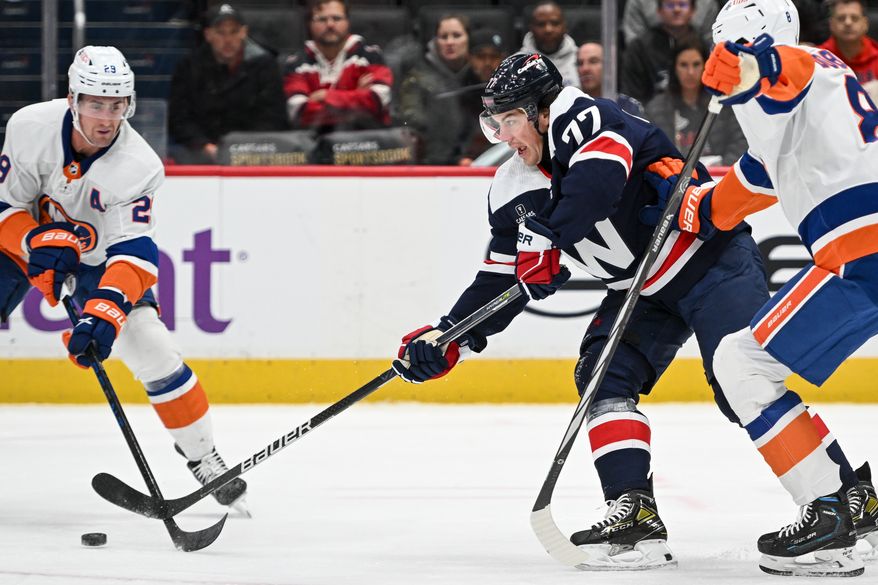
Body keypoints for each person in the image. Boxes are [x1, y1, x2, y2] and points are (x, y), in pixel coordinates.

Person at [391, 52, 773, 569]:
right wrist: (451, 334)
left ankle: (841, 499)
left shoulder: (585, 117)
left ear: (542, 111)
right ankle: (634, 514)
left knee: (742, 382)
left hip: (710, 261)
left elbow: (596, 185)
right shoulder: (509, 188)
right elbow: (500, 280)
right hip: (640, 291)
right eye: (493, 123)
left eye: (511, 120)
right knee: (601, 378)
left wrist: (549, 237)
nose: (503, 135)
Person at [659, 0, 878, 575]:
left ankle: (827, 515)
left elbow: (785, 70)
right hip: (862, 252)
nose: (717, 58)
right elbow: (760, 175)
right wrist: (702, 209)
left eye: (727, 47)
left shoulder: (798, 66)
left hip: (865, 253)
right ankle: (857, 502)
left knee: (742, 363)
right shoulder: (807, 92)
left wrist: (755, 65)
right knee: (747, 362)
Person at [0, 46, 249, 512]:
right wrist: (36, 243)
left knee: (152, 347)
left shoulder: (139, 165)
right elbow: (4, 207)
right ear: (72, 99)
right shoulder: (29, 126)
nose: (107, 117)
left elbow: (133, 254)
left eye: (117, 105)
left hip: (97, 261)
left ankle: (203, 456)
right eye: (96, 103)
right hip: (25, 240)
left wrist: (105, 316)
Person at [168, 3, 288, 164]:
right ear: (208, 34)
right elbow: (179, 118)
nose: (228, 40)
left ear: (244, 32)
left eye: (234, 32)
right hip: (202, 153)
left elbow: (274, 116)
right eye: (220, 32)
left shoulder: (265, 65)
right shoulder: (189, 67)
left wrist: (243, 148)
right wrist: (205, 146)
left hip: (254, 153)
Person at [283, 0, 393, 133]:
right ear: (309, 24)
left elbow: (377, 101)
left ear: (348, 22)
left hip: (366, 140)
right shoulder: (296, 64)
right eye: (322, 19)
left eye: (336, 18)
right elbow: (299, 111)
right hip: (314, 144)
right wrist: (356, 96)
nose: (330, 24)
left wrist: (325, 96)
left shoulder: (370, 56)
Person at [645, 37, 747, 165]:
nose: (690, 72)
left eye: (696, 64)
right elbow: (650, 150)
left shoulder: (723, 102)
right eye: (683, 65)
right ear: (674, 68)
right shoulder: (656, 108)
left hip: (719, 178)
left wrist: (723, 166)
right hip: (673, 178)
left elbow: (741, 141)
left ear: (706, 65)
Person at [398, 14, 471, 164]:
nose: (450, 42)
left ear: (468, 39)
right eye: (443, 37)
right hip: (432, 161)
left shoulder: (479, 75)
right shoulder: (417, 78)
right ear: (435, 41)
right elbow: (412, 121)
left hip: (476, 160)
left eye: (456, 35)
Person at [621, 0, 699, 104]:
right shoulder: (639, 47)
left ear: (692, 10)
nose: (677, 9)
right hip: (649, 115)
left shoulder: (701, 46)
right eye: (670, 5)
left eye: (683, 5)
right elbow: (632, 96)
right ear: (659, 10)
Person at [455, 29, 508, 166]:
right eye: (481, 57)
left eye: (494, 56)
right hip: (466, 166)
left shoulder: (513, 92)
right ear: (469, 58)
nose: (487, 63)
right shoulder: (456, 92)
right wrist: (458, 159)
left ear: (503, 58)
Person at [818, 0, 878, 100]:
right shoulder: (818, 59)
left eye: (854, 18)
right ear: (831, 24)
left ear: (865, 24)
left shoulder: (876, 57)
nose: (848, 22)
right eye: (841, 18)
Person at [520, 2, 580, 89]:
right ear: (531, 28)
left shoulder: (582, 60)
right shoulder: (517, 63)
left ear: (565, 27)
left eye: (555, 23)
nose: (548, 30)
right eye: (541, 24)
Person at [577, 41, 646, 117]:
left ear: (609, 66)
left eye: (593, 61)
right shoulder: (570, 107)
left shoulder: (629, 107)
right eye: (580, 63)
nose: (585, 69)